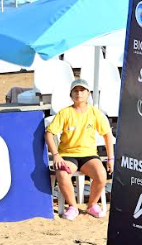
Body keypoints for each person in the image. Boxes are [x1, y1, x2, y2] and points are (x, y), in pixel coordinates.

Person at [44, 79, 114, 220]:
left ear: (88, 94)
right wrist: (56, 155)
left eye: (82, 90)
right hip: (68, 154)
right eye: (75, 91)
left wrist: (110, 158)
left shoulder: (95, 113)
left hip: (89, 155)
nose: (79, 93)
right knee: (62, 173)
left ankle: (92, 205)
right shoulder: (65, 113)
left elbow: (107, 134)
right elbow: (49, 133)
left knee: (101, 174)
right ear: (71, 95)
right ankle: (73, 206)